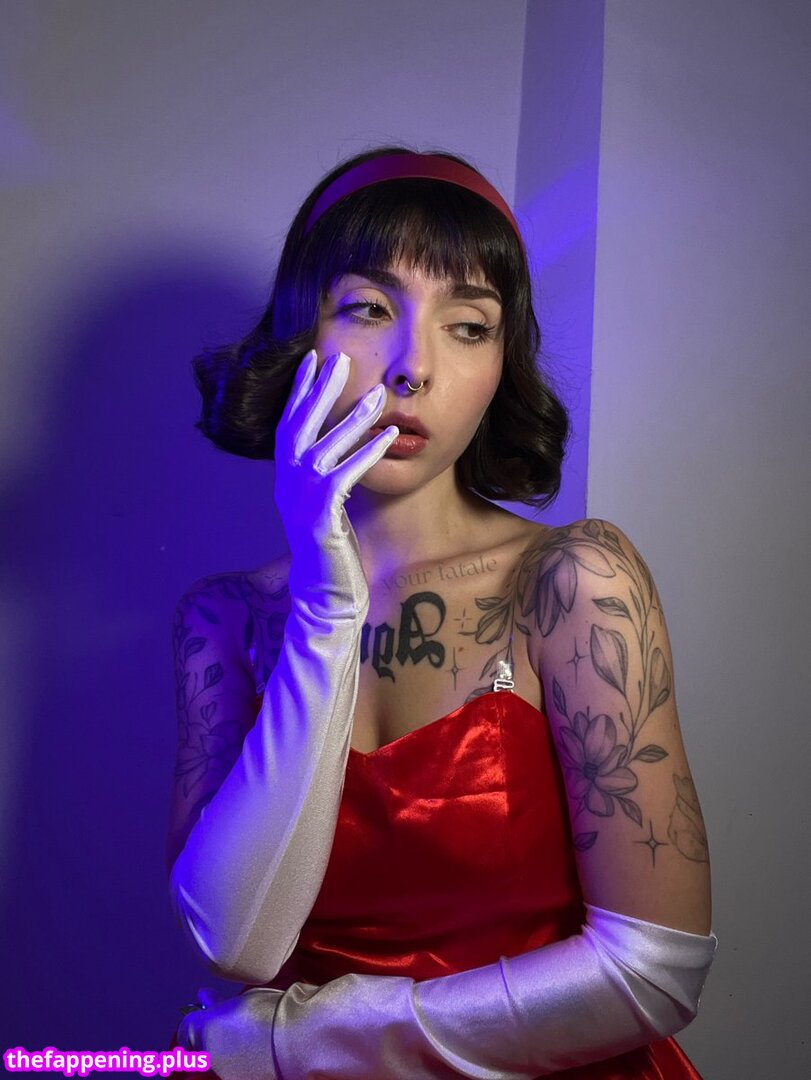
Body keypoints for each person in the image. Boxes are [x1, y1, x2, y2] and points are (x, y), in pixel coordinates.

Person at [166, 146, 717, 1079]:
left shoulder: (572, 583)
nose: (412, 368)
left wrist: (307, 1042)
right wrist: (326, 604)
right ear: (301, 331)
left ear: (501, 364)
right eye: (368, 309)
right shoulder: (224, 620)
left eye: (468, 326)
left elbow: (655, 973)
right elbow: (237, 946)